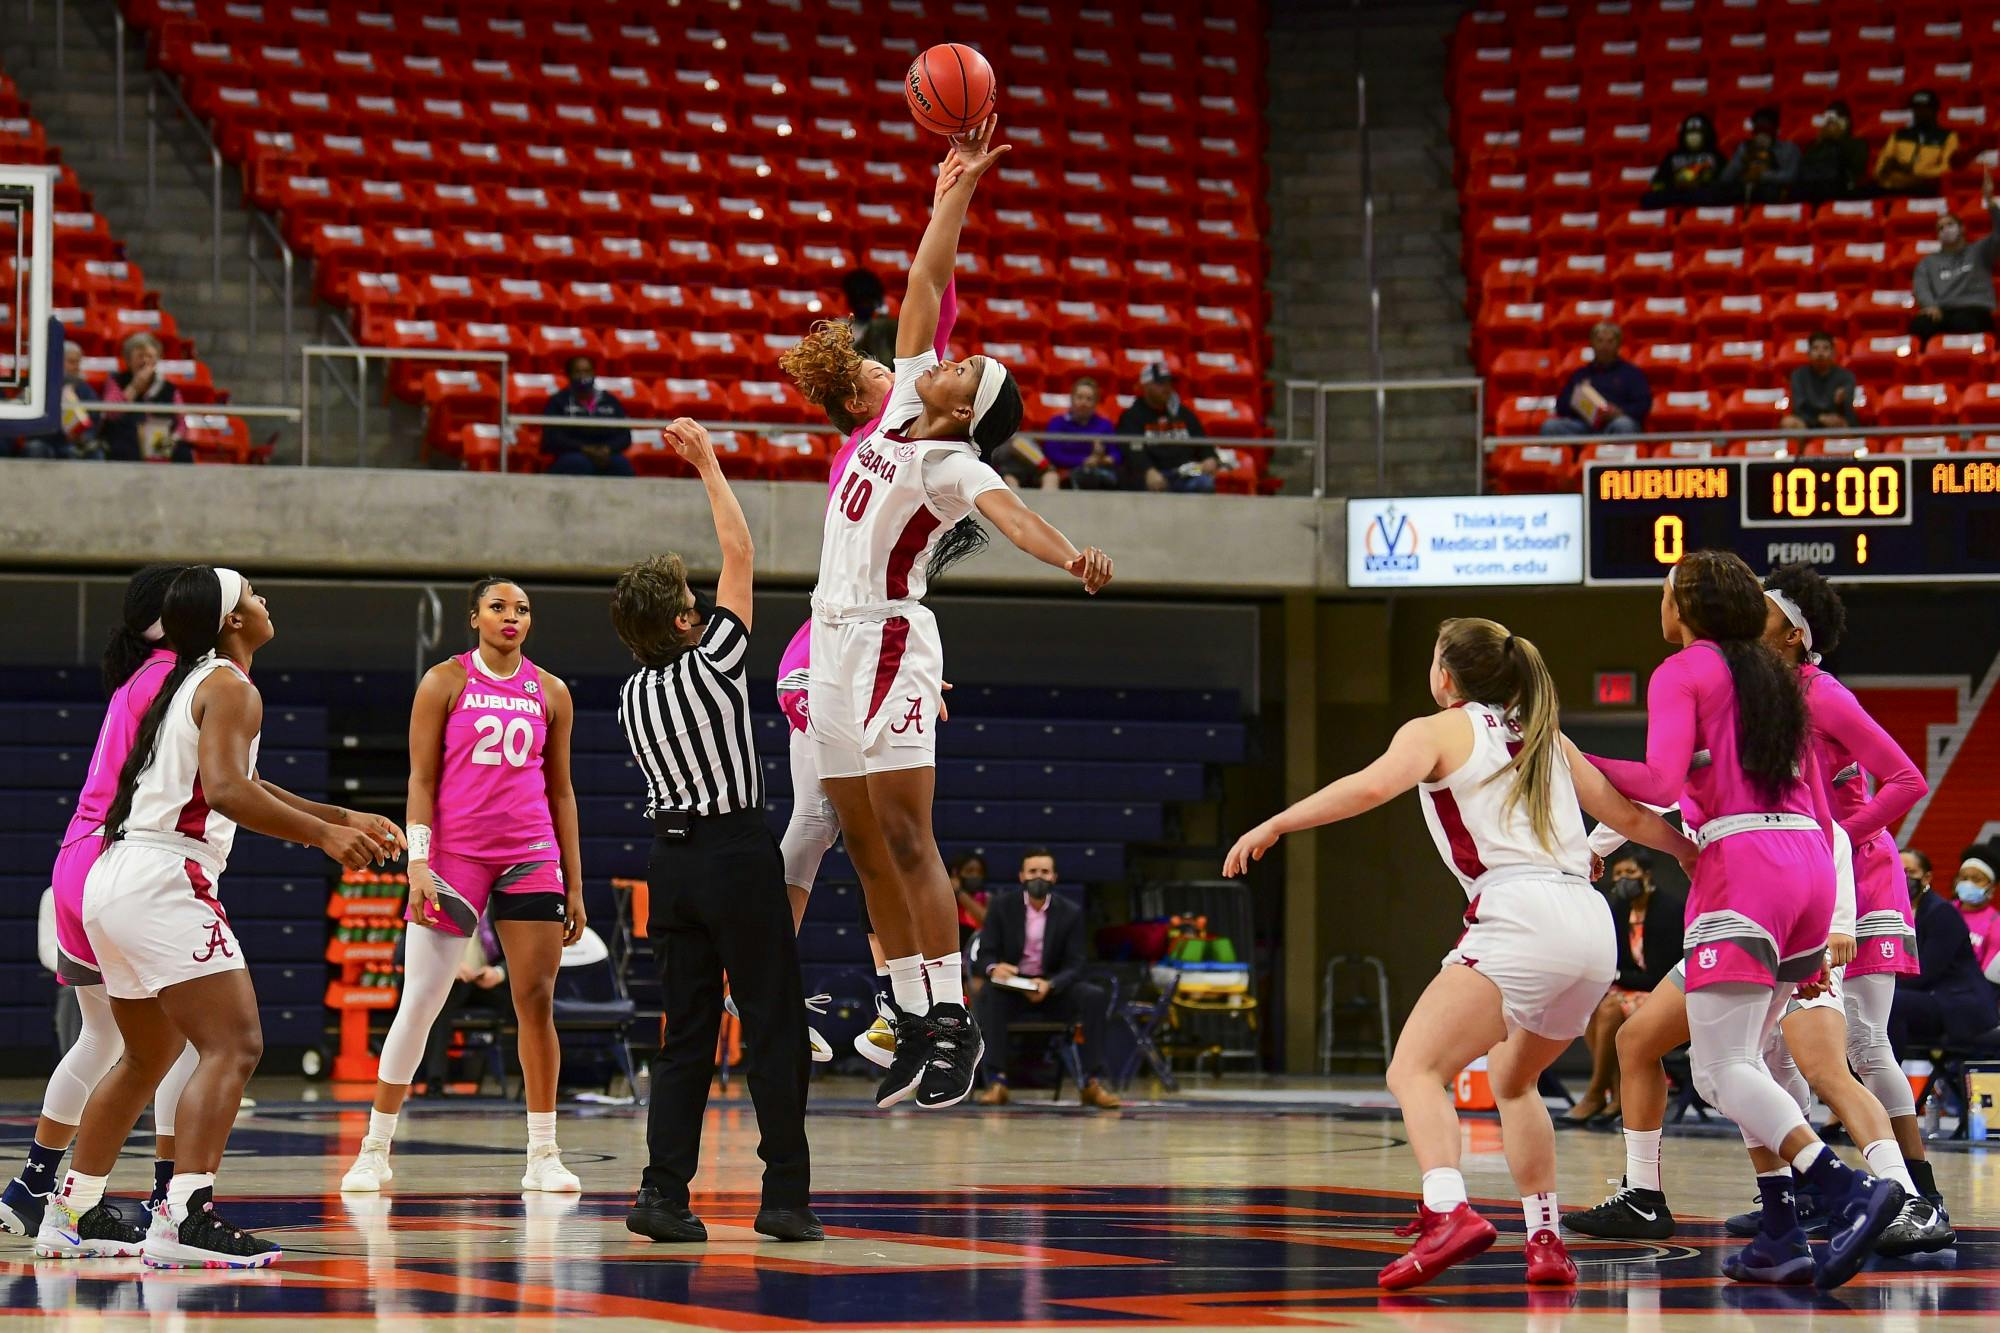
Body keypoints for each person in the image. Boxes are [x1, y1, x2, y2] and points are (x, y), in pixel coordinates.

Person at [1223, 618, 1696, 1291]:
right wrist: (1694, 856)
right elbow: (1629, 818)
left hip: (1521, 913)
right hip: (1591, 928)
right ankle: (1544, 1238)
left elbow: (1366, 788)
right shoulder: (1545, 735)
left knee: (1414, 1068)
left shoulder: (1437, 729)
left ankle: (1449, 1208)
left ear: (1445, 674)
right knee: (1513, 1078)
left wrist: (1276, 821)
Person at [806, 115, 1112, 1112]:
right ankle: (908, 1015)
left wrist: (1069, 555)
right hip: (831, 634)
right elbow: (926, 282)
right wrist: (954, 190)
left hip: (893, 636)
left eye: (961, 366)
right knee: (857, 842)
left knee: (907, 838)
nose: (945, 354)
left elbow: (1011, 516)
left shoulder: (953, 459)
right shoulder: (898, 403)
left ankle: (952, 1025)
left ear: (965, 408)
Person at [37, 567, 399, 1267]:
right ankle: (185, 1217)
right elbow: (231, 792)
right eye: (257, 595)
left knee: (145, 1054)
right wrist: (322, 837)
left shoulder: (187, 681)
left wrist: (339, 814)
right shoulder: (231, 685)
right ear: (233, 619)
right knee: (234, 1046)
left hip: (112, 875)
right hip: (164, 875)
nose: (269, 602)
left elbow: (245, 782)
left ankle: (72, 1208)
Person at [1578, 551, 1904, 1288]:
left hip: (1746, 866)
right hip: (1810, 868)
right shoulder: (1775, 678)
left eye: (1663, 592)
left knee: (1720, 1069)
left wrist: (1573, 757)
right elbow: (1817, 806)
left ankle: (1846, 1189)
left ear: (1684, 604)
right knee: (1749, 1061)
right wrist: (1829, 913)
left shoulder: (1684, 671)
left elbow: (1658, 781)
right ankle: (1781, 1232)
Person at [774, 144, 978, 1074]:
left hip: (856, 643)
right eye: (867, 369)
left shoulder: (902, 434)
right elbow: (924, 292)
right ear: (862, 391)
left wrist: (949, 199)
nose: (882, 368)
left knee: (854, 834)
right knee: (833, 831)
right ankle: (862, 995)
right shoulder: (883, 425)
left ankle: (906, 1001)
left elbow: (928, 284)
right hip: (826, 646)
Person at [612, 417, 820, 1245]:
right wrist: (707, 462)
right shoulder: (714, 664)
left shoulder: (630, 697)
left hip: (672, 864)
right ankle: (784, 1197)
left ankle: (661, 1194)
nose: (707, 610)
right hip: (736, 852)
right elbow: (741, 553)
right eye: (695, 608)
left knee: (684, 1037)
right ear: (683, 627)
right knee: (772, 1022)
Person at [341, 576, 588, 1195]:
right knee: (421, 1000)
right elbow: (420, 780)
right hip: (453, 858)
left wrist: (575, 885)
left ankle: (543, 1154)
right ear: (474, 616)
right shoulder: (444, 682)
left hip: (531, 853)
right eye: (499, 607)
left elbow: (562, 792)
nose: (512, 617)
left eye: (523, 609)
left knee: (535, 998)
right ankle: (373, 1148)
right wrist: (417, 863)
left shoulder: (551, 691)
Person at [0, 567, 200, 1242]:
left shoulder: (137, 675)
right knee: (186, 1043)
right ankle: (170, 1197)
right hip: (129, 862)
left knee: (102, 1038)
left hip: (76, 862)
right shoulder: (188, 678)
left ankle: (31, 1185)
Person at [971, 850, 1120, 1109]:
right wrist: (996, 968)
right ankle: (997, 1080)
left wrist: (1051, 984)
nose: (1038, 877)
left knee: (1093, 996)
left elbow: (1076, 963)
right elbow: (984, 956)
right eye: (1032, 872)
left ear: (1054, 877)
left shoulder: (1070, 912)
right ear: (1021, 876)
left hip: (1052, 989)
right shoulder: (1001, 907)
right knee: (989, 997)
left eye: (1044, 872)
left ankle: (1091, 1082)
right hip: (1013, 988)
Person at [1562, 849, 1682, 1125]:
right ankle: (1616, 1095)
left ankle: (1595, 1092)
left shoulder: (1669, 910)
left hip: (1663, 993)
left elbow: (1659, 973)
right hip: (1627, 990)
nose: (1623, 880)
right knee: (1592, 1008)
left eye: (1630, 873)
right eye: (1617, 874)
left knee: (1610, 1010)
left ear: (1647, 875)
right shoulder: (1618, 909)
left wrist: (1617, 975)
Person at [1892, 847, 2000, 1054]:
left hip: (1960, 1004)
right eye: (1898, 870)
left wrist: (1881, 987)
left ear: (1927, 878)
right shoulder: (1893, 911)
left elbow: (1926, 973)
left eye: (1911, 872)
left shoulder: (1942, 913)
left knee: (1891, 1002)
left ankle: (1882, 1077)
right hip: (1933, 996)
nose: (1904, 878)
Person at [1909, 171, 2000, 344]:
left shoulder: (1980, 251)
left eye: (1950, 224)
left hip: (1974, 309)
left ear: (1962, 228)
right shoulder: (1928, 262)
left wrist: (1990, 202)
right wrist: (1929, 305)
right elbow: (1921, 287)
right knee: (1920, 325)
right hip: (1942, 311)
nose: (1945, 230)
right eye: (1940, 228)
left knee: (1964, 322)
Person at [1538, 323, 1652, 437]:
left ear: (1618, 345)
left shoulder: (1632, 374)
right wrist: (1577, 402)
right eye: (1600, 341)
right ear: (1592, 344)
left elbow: (1643, 404)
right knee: (1550, 426)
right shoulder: (1580, 374)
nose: (1604, 346)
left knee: (1624, 425)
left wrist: (1620, 412)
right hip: (1583, 425)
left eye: (1610, 341)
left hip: (1615, 423)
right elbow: (1561, 406)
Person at [1118, 363, 1217, 493]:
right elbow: (1133, 451)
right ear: (1146, 386)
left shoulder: (1184, 414)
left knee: (1204, 482)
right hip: (1153, 473)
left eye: (1169, 383)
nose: (1167, 388)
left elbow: (1203, 443)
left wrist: (1209, 459)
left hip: (1184, 472)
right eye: (1160, 384)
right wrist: (1148, 471)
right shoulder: (1132, 416)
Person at [98, 332, 188, 463]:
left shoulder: (169, 387)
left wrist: (173, 439)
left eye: (150, 356)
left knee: (183, 453)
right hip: (125, 439)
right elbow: (111, 414)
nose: (145, 361)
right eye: (140, 356)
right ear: (128, 360)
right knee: (126, 448)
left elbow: (181, 423)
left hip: (161, 440)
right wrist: (134, 387)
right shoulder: (116, 381)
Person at [540, 355, 632, 477]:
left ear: (594, 373)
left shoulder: (610, 401)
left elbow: (625, 436)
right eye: (578, 372)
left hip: (605, 452)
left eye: (587, 371)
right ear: (569, 375)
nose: (583, 376)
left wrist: (607, 449)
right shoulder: (558, 401)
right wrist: (584, 449)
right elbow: (551, 438)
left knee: (621, 465)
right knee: (579, 463)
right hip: (571, 453)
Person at [17, 343, 102, 460]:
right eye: (72, 362)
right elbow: (23, 414)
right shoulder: (39, 384)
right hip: (43, 439)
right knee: (35, 448)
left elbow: (94, 418)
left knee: (86, 451)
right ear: (57, 362)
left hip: (72, 443)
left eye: (78, 362)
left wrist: (83, 436)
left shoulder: (84, 389)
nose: (76, 367)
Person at [1039, 377, 1122, 490]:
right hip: (1063, 473)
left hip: (1097, 473)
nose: (1084, 403)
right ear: (1072, 399)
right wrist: (1084, 460)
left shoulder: (1104, 425)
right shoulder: (1057, 422)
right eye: (1079, 397)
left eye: (1089, 399)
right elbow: (1052, 454)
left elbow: (1116, 453)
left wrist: (1104, 459)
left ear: (1095, 403)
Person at [1873, 89, 1957, 195]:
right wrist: (1883, 170)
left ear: (1935, 110)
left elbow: (1947, 168)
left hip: (1926, 187)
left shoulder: (1947, 136)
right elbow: (1883, 161)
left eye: (1925, 108)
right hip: (1894, 185)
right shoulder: (1899, 134)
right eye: (1916, 108)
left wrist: (1914, 171)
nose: (1920, 112)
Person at [1718, 107, 1802, 203]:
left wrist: (1761, 175)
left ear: (1775, 129)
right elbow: (1725, 178)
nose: (1762, 134)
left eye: (1766, 129)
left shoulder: (1788, 149)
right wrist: (1745, 156)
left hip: (1774, 193)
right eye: (1758, 129)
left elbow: (1791, 177)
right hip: (1744, 191)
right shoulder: (1745, 147)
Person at [1642, 112, 1724, 208]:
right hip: (1676, 194)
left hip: (1703, 197)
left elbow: (1724, 184)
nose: (1693, 137)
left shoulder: (1717, 156)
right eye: (1690, 133)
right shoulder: (1672, 156)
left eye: (1697, 133)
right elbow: (1658, 183)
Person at [1781, 332, 1860, 431]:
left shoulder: (1846, 376)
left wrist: (1841, 402)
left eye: (1825, 348)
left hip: (1835, 421)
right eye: (1815, 348)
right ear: (1808, 353)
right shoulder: (1798, 375)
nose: (1820, 353)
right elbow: (1798, 408)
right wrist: (1820, 418)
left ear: (1833, 353)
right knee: (1789, 422)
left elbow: (1848, 411)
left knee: (1842, 425)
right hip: (1807, 421)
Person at [1947, 847, 2000, 988]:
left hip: (1968, 993)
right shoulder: (1941, 910)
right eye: (1963, 878)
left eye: (1976, 879)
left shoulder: (1995, 923)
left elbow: (1987, 977)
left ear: (1991, 887)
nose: (1968, 883)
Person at [1797, 101, 1870, 202]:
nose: (1831, 125)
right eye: (1828, 121)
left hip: (1842, 190)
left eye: (1835, 120)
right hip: (1814, 190)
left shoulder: (1858, 144)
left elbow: (1857, 170)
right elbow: (1805, 167)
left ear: (1846, 122)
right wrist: (1821, 141)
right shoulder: (1815, 144)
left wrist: (1838, 140)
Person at [842, 267, 900, 367]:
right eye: (863, 302)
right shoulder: (841, 328)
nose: (868, 305)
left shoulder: (886, 327)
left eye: (871, 302)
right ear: (853, 301)